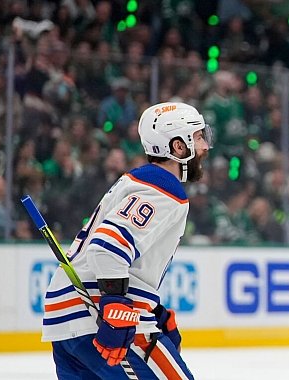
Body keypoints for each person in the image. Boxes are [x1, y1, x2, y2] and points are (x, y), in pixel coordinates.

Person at [41, 102, 210, 379]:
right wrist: (115, 305)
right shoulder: (163, 186)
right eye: (199, 137)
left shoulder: (136, 182)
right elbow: (107, 247)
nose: (205, 147)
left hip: (68, 322)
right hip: (99, 318)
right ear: (179, 147)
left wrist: (152, 308)